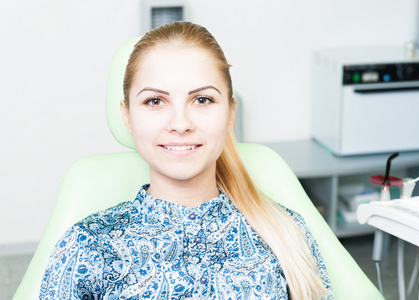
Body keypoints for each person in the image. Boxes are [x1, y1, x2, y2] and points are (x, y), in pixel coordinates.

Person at [39, 21, 334, 299]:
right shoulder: (87, 245)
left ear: (231, 113)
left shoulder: (287, 233)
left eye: (202, 100)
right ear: (127, 116)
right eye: (155, 101)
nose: (180, 124)